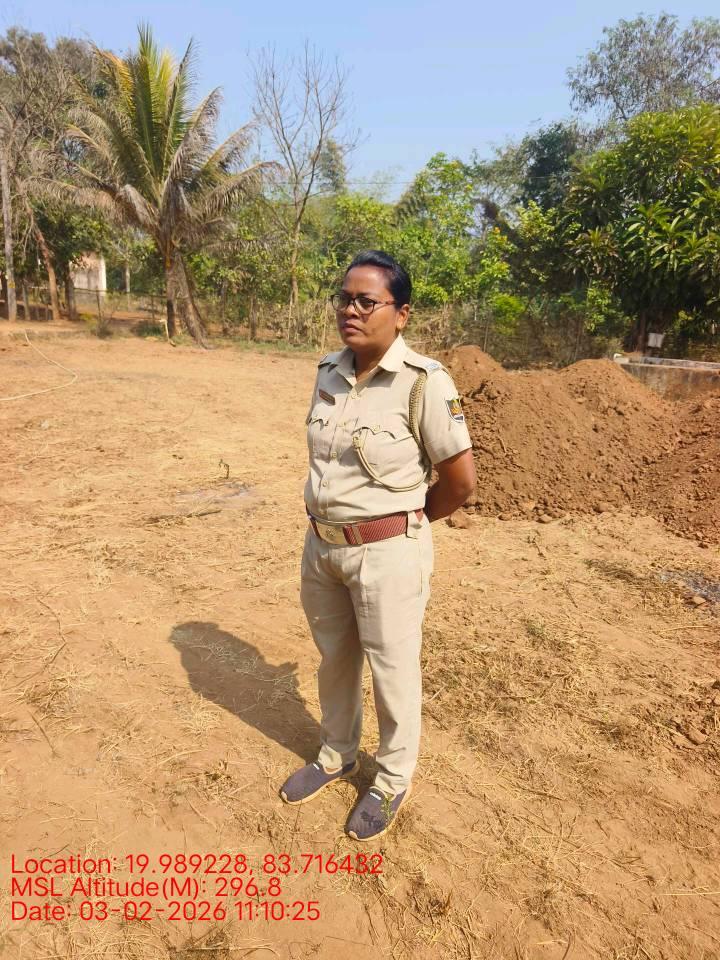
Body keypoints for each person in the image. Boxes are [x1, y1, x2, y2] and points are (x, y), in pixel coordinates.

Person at [279, 250, 475, 841]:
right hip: (322, 549)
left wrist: (404, 526)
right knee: (335, 660)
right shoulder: (328, 371)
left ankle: (391, 779)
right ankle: (337, 754)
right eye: (345, 299)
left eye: (368, 301)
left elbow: (460, 482)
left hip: (387, 554)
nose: (351, 310)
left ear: (402, 313)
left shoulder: (424, 383)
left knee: (392, 671)